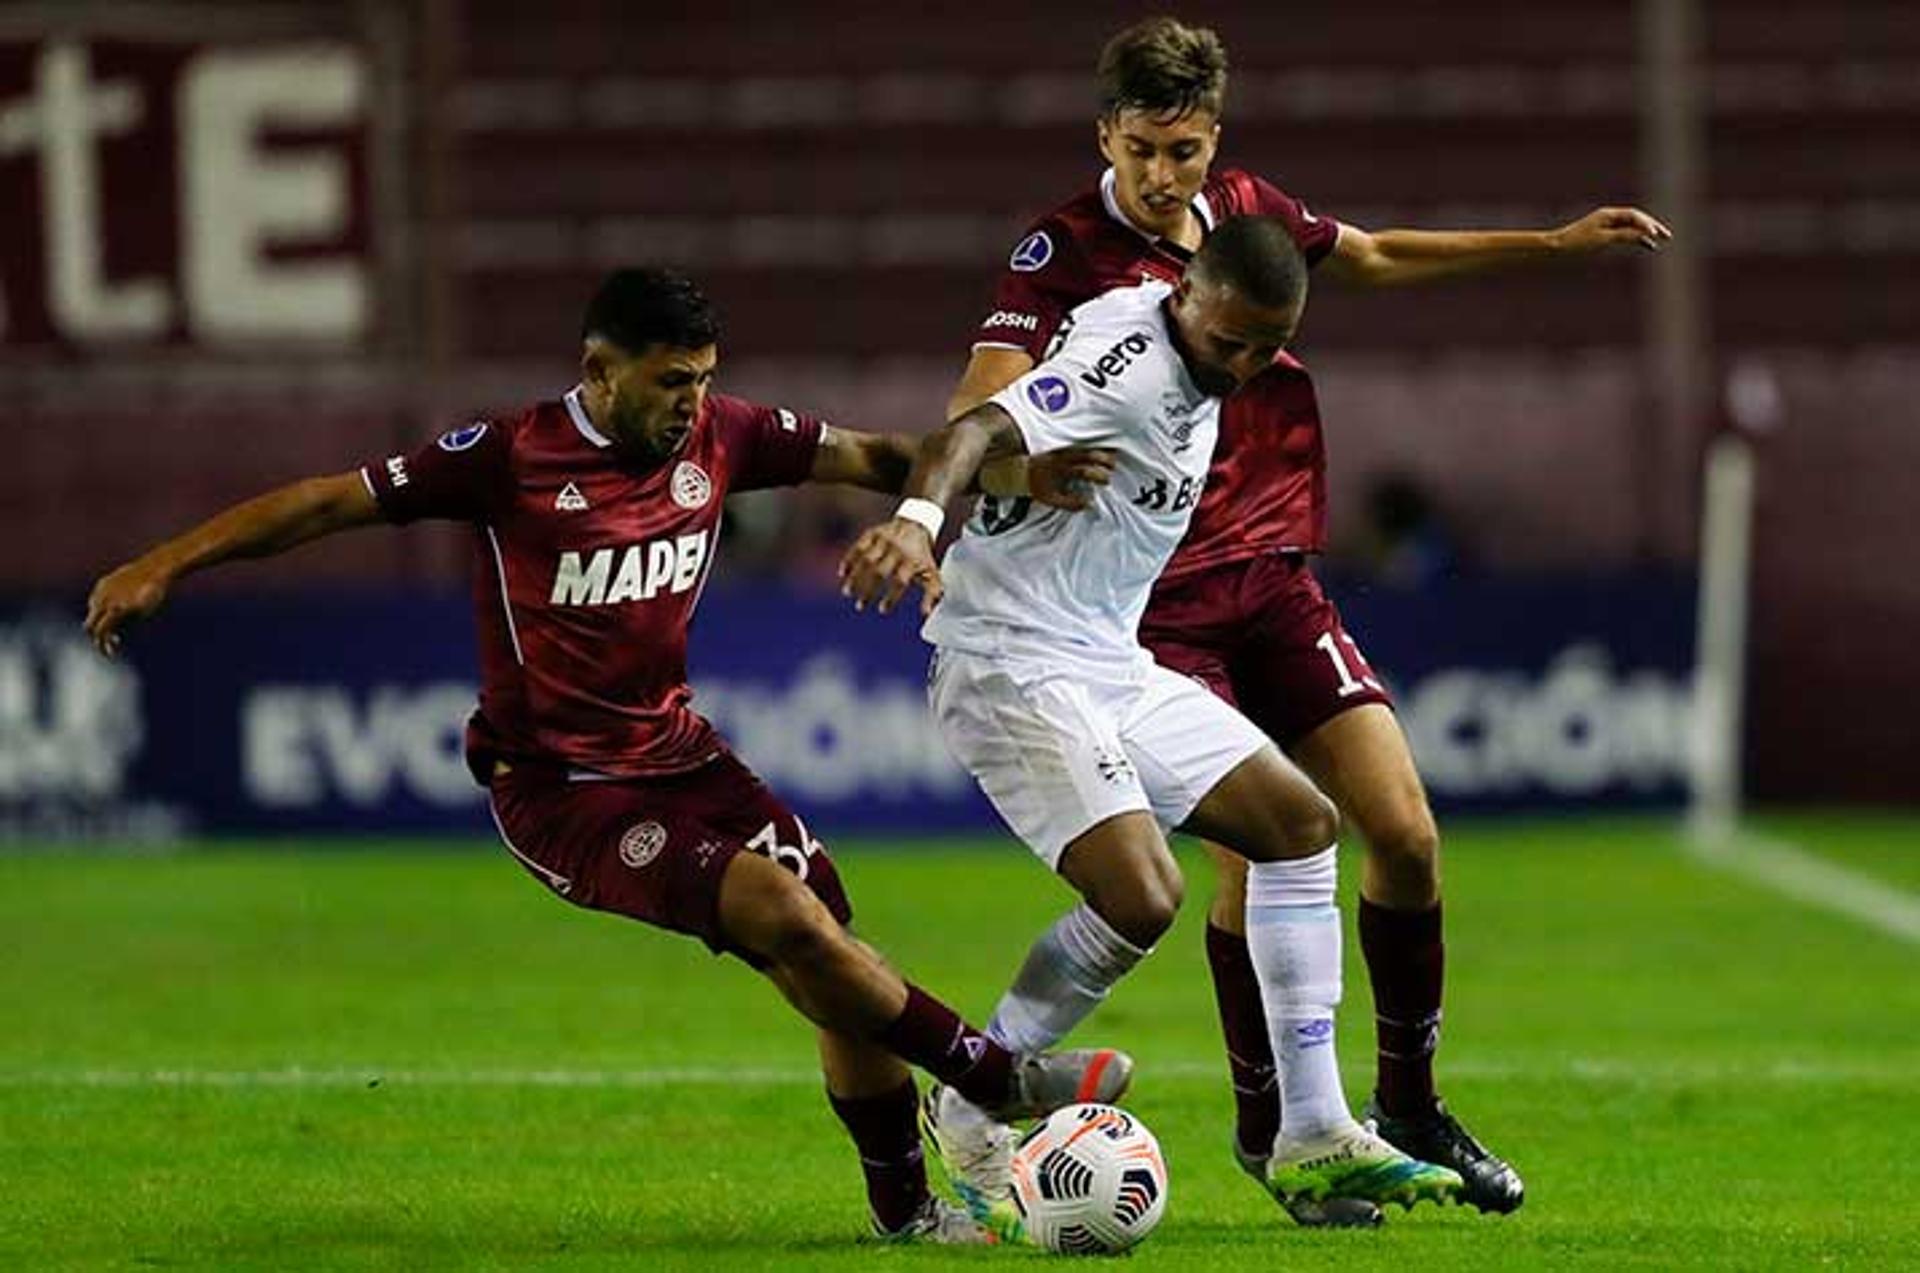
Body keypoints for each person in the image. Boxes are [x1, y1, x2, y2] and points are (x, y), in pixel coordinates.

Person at [82, 267, 1131, 1247]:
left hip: (683, 755)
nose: (691, 401)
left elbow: (868, 454)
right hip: (560, 791)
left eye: (703, 380)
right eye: (672, 381)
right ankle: (996, 1077)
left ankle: (905, 1217)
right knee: (781, 912)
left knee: (828, 940)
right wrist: (164, 562)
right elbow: (327, 501)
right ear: (600, 369)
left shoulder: (725, 435)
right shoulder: (511, 456)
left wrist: (1013, 470)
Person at [939, 16, 1673, 1227]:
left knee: (1404, 834)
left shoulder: (1247, 215)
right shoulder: (1059, 253)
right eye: (1139, 150)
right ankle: (1277, 1122)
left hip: (1274, 569)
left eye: (1181, 150)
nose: (1161, 176)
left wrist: (1547, 244)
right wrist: (995, 484)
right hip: (1151, 600)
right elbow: (973, 409)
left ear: (1213, 139)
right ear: (1104, 136)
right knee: (1244, 854)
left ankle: (1405, 1107)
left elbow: (1373, 255)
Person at [841, 215, 1466, 1241]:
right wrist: (916, 523)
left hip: (1109, 656)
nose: (1245, 364)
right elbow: (968, 433)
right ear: (1186, 300)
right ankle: (969, 1095)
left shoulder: (1214, 356)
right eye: (1228, 342)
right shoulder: (1121, 364)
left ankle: (1312, 1127)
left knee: (1300, 823)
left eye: (1268, 346)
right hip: (1011, 660)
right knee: (1144, 892)